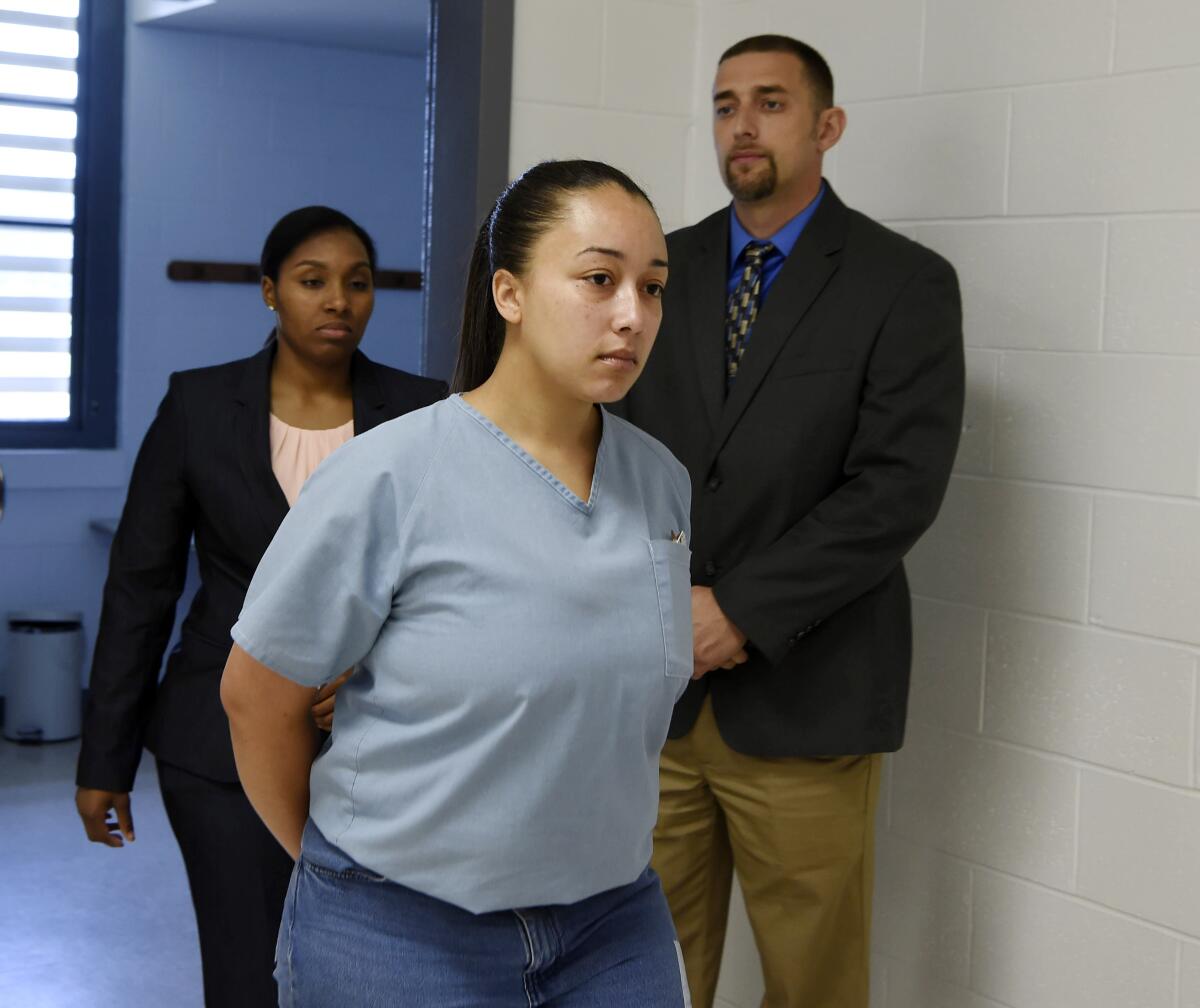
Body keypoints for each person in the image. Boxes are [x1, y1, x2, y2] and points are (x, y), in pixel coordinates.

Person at [220, 160, 694, 1007]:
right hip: (400, 929)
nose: (632, 315)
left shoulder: (658, 482)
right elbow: (257, 699)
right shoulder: (390, 476)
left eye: (651, 287)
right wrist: (340, 875)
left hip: (611, 921)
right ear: (508, 294)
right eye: (598, 279)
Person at [611, 35, 965, 1008]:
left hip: (808, 696)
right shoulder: (659, 272)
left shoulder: (903, 283)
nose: (743, 124)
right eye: (726, 104)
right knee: (642, 973)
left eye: (770, 102)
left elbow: (896, 487)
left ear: (827, 126)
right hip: (655, 695)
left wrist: (738, 611)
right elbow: (607, 455)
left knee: (812, 984)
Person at [74, 206, 446, 1007]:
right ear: (271, 291)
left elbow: (453, 582)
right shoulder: (199, 407)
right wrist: (104, 759)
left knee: (375, 974)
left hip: (385, 745)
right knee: (250, 973)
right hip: (217, 746)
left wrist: (388, 670)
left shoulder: (424, 412)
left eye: (358, 282)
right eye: (313, 282)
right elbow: (141, 585)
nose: (338, 300)